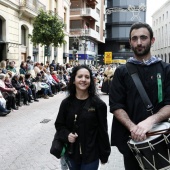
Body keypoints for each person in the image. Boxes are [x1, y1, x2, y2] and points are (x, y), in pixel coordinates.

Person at [109, 22, 170, 170]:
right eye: (134, 38)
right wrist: (134, 128)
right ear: (130, 42)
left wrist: (150, 121)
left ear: (152, 40)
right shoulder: (121, 72)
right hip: (131, 140)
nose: (139, 42)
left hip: (161, 138)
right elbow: (116, 105)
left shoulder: (165, 69)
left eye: (143, 38)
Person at [55, 65, 111, 170]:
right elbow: (59, 125)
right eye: (80, 76)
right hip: (71, 153)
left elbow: (103, 131)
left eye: (87, 77)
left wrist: (104, 154)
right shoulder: (66, 103)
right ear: (73, 80)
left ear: (91, 80)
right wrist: (67, 135)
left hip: (91, 155)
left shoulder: (99, 104)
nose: (83, 80)